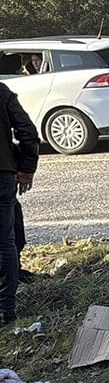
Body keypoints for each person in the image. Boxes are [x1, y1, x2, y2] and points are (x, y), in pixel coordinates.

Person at [0, 82, 39, 327]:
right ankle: (6, 309)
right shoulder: (1, 92)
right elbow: (27, 131)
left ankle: (6, 308)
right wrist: (26, 168)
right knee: (4, 241)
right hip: (3, 174)